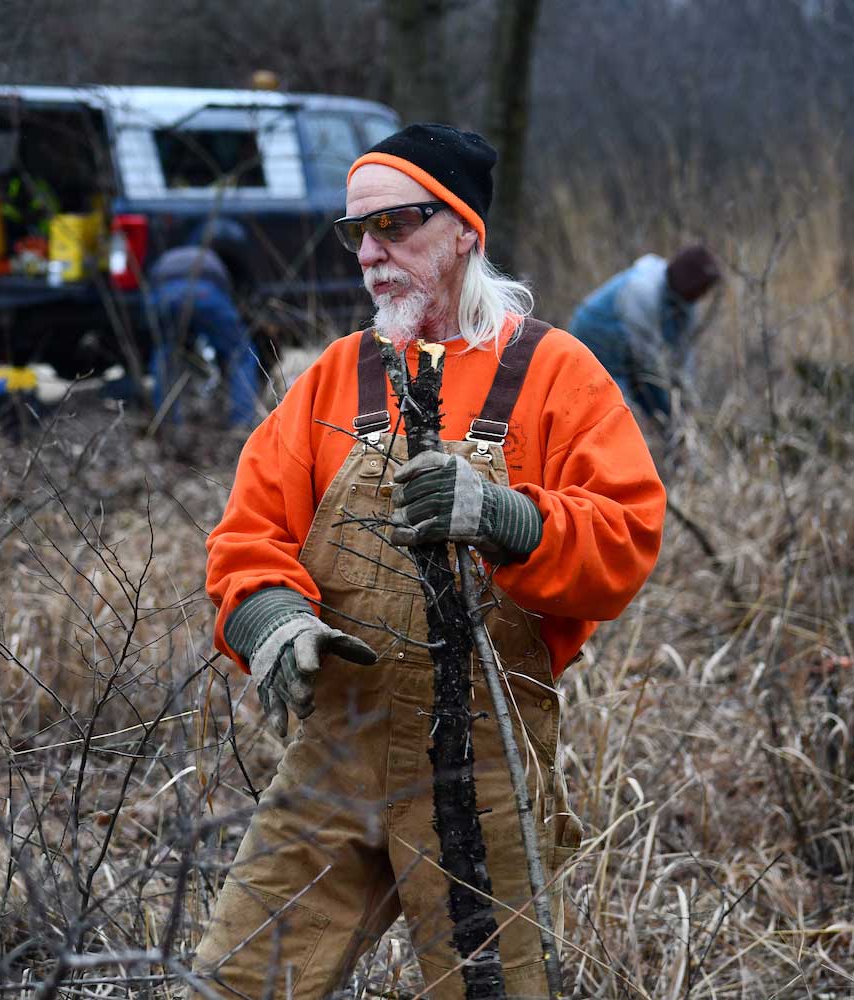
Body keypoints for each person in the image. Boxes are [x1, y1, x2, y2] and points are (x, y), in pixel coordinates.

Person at [194, 123, 666, 999]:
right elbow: (247, 534)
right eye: (355, 233)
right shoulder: (334, 378)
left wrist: (507, 518)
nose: (371, 253)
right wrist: (270, 618)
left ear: (463, 231)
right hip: (335, 751)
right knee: (236, 983)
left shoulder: (556, 374)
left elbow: (626, 541)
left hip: (481, 767)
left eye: (395, 225)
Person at [568, 247, 722, 426]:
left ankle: (672, 441)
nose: (702, 295)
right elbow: (649, 360)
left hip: (633, 345)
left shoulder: (686, 304)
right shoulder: (643, 290)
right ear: (688, 282)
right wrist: (671, 401)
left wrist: (687, 398)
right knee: (612, 406)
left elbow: (683, 353)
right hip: (595, 337)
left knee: (662, 408)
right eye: (700, 289)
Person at [144, 246, 261, 428]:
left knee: (165, 352)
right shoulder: (212, 258)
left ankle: (166, 423)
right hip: (205, 292)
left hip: (163, 296)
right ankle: (243, 422)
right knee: (242, 353)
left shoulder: (167, 256)